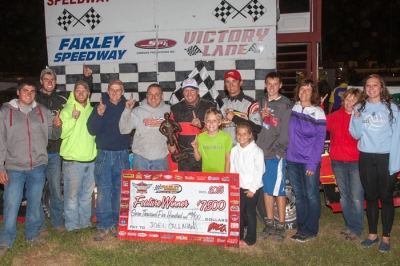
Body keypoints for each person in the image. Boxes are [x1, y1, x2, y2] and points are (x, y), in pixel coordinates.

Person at [0, 79, 62, 256]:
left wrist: (57, 126)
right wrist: (0, 167)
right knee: (11, 204)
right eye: (25, 90)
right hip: (13, 167)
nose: (29, 94)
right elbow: (0, 141)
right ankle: (5, 240)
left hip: (37, 166)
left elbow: (53, 135)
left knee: (35, 204)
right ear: (18, 92)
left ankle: (32, 235)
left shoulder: (41, 112)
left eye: (32, 91)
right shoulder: (5, 112)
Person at [35, 64, 93, 233]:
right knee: (35, 192)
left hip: (55, 153)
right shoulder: (34, 100)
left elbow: (82, 94)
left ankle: (59, 223)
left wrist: (87, 80)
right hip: (36, 152)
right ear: (41, 81)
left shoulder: (62, 100)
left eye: (52, 79)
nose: (49, 82)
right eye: (46, 79)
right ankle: (39, 226)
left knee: (56, 192)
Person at [349, 74, 400, 252]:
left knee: (386, 197)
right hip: (366, 157)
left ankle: (385, 237)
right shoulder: (360, 107)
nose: (371, 88)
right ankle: (372, 235)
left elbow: (397, 137)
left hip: (385, 157)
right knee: (370, 197)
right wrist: (356, 118)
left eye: (375, 85)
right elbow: (355, 135)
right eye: (368, 85)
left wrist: (395, 163)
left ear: (381, 87)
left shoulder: (392, 108)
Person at [87, 79, 130, 241]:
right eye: (112, 89)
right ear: (107, 90)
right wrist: (98, 114)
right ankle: (104, 225)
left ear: (123, 91)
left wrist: (129, 110)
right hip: (104, 154)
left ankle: (117, 223)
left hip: (122, 154)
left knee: (120, 190)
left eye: (118, 90)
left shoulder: (128, 107)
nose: (114, 92)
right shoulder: (100, 106)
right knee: (104, 189)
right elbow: (91, 130)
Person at [320, 88, 364, 241]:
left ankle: (357, 228)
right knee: (344, 196)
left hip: (356, 162)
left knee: (357, 197)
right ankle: (350, 225)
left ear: (358, 103)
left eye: (353, 100)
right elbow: (319, 123)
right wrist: (319, 108)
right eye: (347, 99)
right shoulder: (334, 117)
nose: (349, 103)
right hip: (338, 162)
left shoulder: (360, 118)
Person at [287, 79, 326, 243]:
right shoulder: (292, 108)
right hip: (292, 159)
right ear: (298, 91)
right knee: (300, 195)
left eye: (308, 89)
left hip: (309, 161)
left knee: (311, 195)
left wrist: (313, 162)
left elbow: (320, 140)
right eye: (302, 89)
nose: (304, 92)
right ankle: (302, 228)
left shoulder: (318, 112)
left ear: (313, 93)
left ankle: (311, 229)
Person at [256, 72, 292, 242]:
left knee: (278, 190)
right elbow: (259, 126)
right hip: (261, 152)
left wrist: (280, 152)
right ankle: (269, 223)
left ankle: (281, 225)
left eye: (275, 84)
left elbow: (286, 131)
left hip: (275, 153)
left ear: (280, 85)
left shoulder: (285, 104)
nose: (271, 87)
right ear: (265, 84)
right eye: (269, 83)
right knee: (267, 189)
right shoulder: (261, 101)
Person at [59, 80, 96, 233]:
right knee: (72, 196)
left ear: (88, 93)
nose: (81, 93)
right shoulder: (67, 111)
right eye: (78, 90)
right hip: (72, 162)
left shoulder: (93, 111)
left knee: (87, 195)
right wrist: (73, 118)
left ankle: (85, 222)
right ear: (74, 93)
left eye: (84, 90)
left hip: (90, 160)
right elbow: (61, 134)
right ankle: (72, 224)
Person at [119, 84, 171, 170]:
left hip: (161, 160)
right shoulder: (137, 111)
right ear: (146, 96)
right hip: (140, 159)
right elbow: (124, 130)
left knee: (160, 184)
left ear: (162, 96)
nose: (153, 97)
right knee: (139, 184)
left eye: (157, 94)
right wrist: (127, 110)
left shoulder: (169, 110)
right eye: (150, 94)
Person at [169, 78, 215, 172]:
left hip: (205, 155)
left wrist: (201, 125)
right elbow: (170, 132)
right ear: (183, 92)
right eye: (186, 90)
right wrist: (169, 144)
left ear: (197, 91)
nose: (189, 94)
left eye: (192, 90)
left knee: (204, 186)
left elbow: (217, 132)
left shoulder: (209, 106)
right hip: (183, 158)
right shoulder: (175, 108)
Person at [230, 122, 264, 246]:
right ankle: (237, 236)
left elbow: (259, 171)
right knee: (238, 212)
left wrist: (253, 189)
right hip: (239, 186)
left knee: (250, 212)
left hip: (252, 187)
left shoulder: (256, 151)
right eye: (239, 134)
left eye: (244, 134)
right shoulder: (234, 150)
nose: (241, 136)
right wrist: (233, 186)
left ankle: (250, 238)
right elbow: (232, 169)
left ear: (250, 135)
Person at [221, 70, 262, 144]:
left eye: (234, 81)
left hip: (243, 150)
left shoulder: (251, 103)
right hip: (225, 150)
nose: (231, 85)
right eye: (228, 82)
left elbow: (257, 128)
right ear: (225, 84)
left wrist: (234, 118)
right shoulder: (221, 103)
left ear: (240, 82)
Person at [191, 107, 232, 173]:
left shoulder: (226, 137)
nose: (211, 123)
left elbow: (228, 159)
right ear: (205, 122)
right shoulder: (200, 137)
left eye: (214, 120)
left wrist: (226, 176)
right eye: (208, 120)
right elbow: (197, 158)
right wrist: (195, 148)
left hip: (221, 174)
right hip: (206, 174)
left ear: (219, 122)